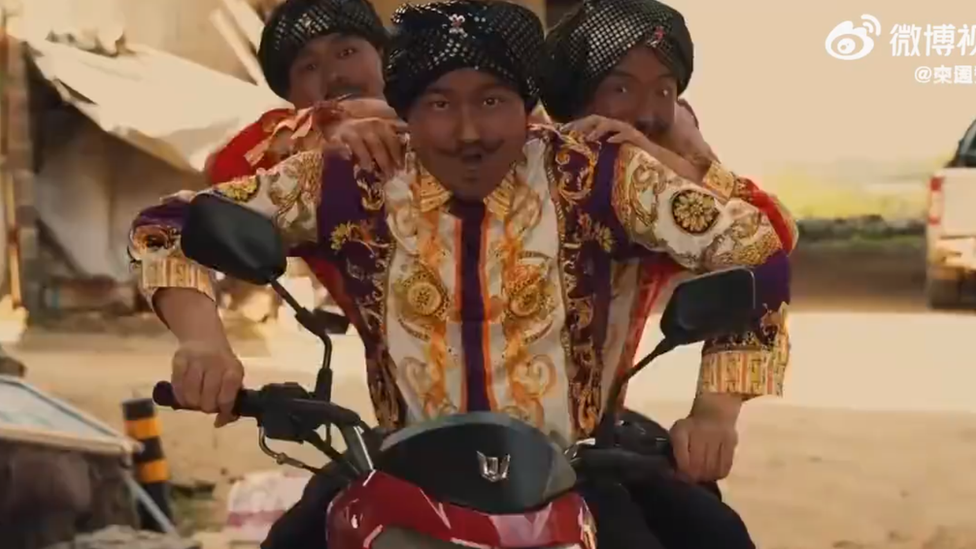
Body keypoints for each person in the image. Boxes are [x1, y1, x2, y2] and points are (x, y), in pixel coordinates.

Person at [127, 1, 791, 547]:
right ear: (404, 110)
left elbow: (756, 245)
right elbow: (170, 222)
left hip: (579, 469)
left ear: (527, 105)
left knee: (716, 537)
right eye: (440, 105)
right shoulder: (351, 174)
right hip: (397, 467)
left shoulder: (598, 172)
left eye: (494, 100)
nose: (470, 130)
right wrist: (203, 341)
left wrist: (714, 412)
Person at [539, 1, 797, 546]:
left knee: (714, 533)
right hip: (440, 451)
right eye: (623, 88)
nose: (649, 111)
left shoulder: (649, 188)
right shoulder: (510, 158)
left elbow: (768, 239)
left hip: (582, 452)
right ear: (574, 93)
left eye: (664, 90)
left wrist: (714, 413)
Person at [203, 0, 393, 329]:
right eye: (309, 67)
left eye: (347, 52)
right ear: (291, 97)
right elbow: (222, 170)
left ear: (383, 55)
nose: (335, 75)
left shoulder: (450, 121)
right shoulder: (295, 152)